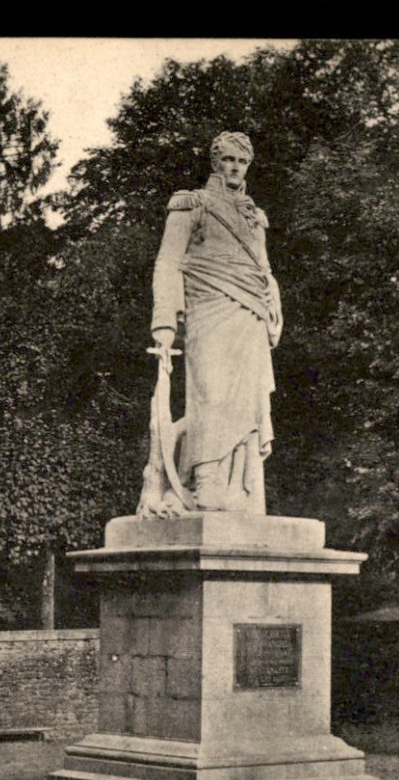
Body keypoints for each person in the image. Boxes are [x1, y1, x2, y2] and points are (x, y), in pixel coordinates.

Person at [143, 131, 282, 514]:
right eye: (229, 160)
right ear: (215, 162)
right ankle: (204, 483)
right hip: (207, 308)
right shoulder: (192, 204)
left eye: (242, 161)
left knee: (246, 402)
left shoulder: (255, 217)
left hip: (250, 313)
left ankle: (239, 489)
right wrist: (164, 323)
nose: (235, 168)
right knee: (212, 394)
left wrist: (273, 299)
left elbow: (263, 267)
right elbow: (168, 262)